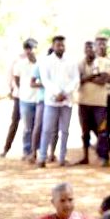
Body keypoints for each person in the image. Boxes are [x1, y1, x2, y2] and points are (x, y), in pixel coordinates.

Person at [36, 35, 80, 168]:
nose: (60, 47)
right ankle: (42, 158)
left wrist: (65, 92)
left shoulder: (71, 61)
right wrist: (57, 93)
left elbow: (76, 79)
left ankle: (62, 158)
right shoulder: (46, 61)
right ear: (53, 46)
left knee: (64, 131)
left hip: (67, 100)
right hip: (51, 100)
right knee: (47, 129)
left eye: (62, 45)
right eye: (57, 45)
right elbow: (45, 80)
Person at [75, 39, 110, 166]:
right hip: (83, 102)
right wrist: (93, 76)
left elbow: (103, 79)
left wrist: (86, 78)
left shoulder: (102, 62)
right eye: (87, 48)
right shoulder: (80, 63)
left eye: (91, 48)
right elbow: (77, 80)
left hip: (100, 103)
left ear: (95, 49)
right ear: (84, 50)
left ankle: (104, 157)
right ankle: (85, 156)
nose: (89, 50)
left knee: (102, 130)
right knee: (85, 131)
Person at [7, 39, 40, 162]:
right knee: (27, 128)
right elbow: (17, 80)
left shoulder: (41, 63)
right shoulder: (20, 64)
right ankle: (27, 151)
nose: (30, 51)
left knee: (38, 127)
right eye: (28, 48)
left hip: (39, 100)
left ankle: (37, 151)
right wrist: (24, 91)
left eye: (32, 48)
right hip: (25, 100)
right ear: (25, 50)